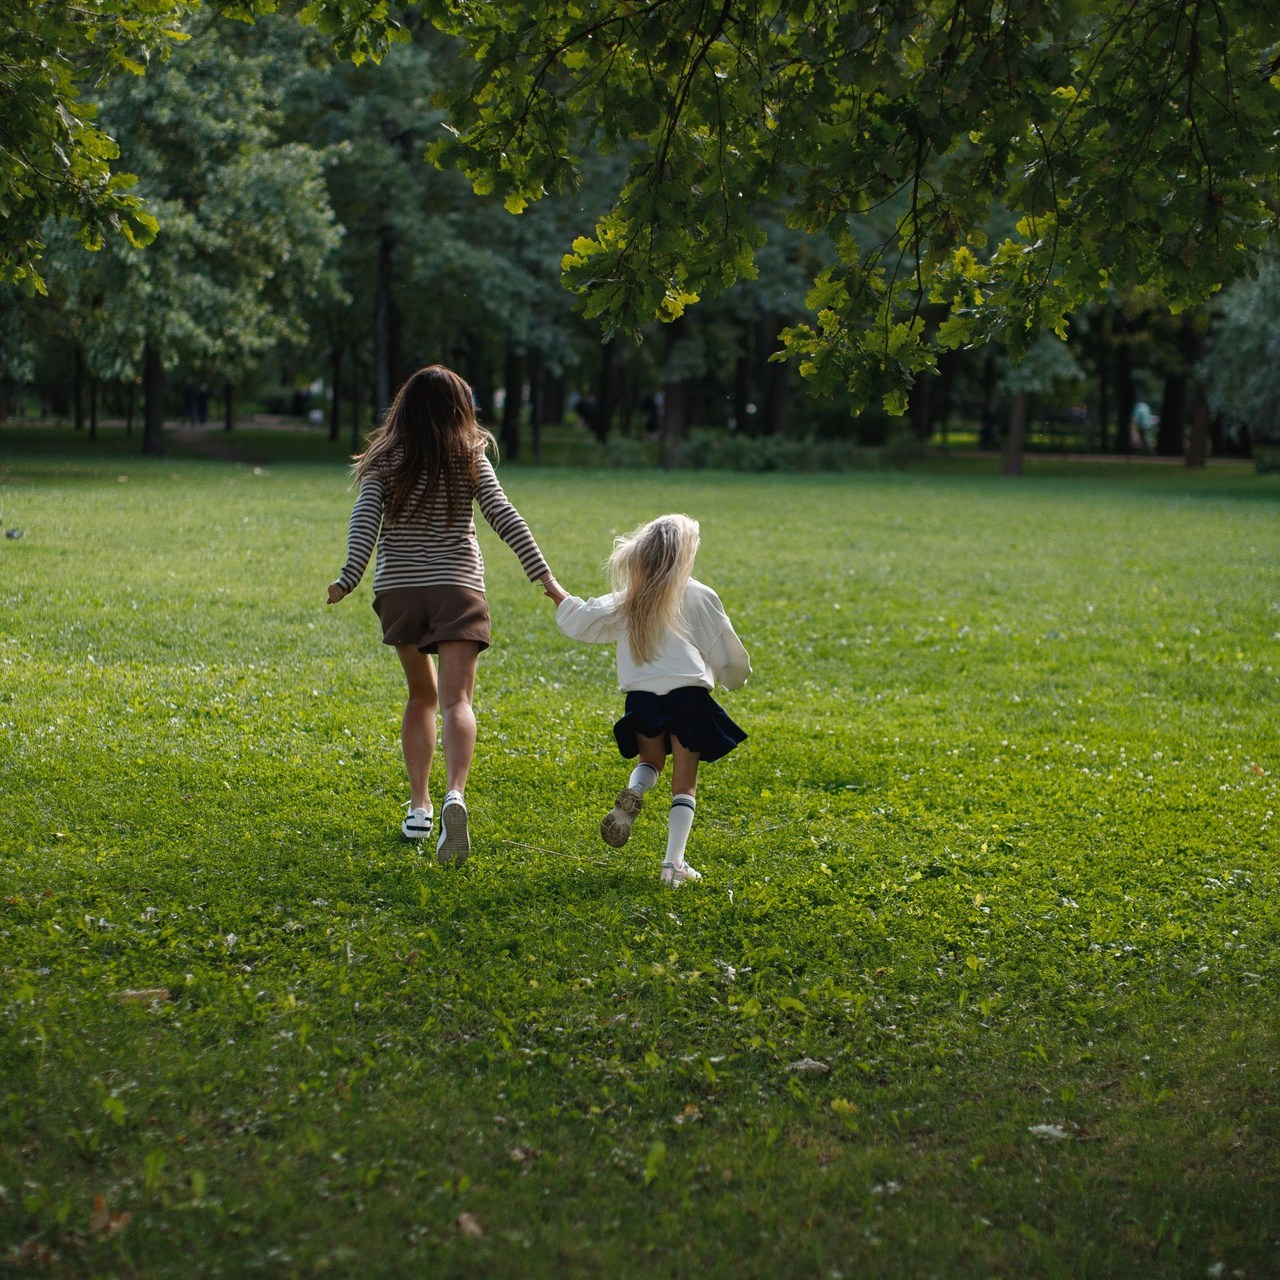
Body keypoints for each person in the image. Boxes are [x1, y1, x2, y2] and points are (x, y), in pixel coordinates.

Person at [327, 364, 559, 865]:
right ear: (461, 409)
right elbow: (504, 516)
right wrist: (546, 579)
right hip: (457, 586)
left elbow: (363, 522)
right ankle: (455, 793)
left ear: (404, 407)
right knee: (457, 701)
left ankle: (419, 806)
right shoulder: (470, 458)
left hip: (400, 589)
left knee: (421, 694)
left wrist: (348, 578)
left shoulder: (384, 460)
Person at [546, 514, 750, 886]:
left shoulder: (629, 599)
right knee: (684, 783)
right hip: (687, 697)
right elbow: (727, 655)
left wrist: (559, 596)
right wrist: (735, 678)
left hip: (642, 699)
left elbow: (584, 620)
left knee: (650, 761)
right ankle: (673, 865)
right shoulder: (698, 594)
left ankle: (635, 792)